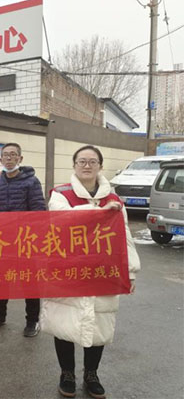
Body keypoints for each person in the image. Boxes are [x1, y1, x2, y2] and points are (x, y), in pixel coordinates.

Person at [40, 145, 140, 399]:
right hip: (68, 270)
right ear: (74, 165)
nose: (87, 165)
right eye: (82, 161)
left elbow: (125, 236)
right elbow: (63, 220)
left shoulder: (114, 200)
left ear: (100, 166)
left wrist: (130, 271)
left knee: (99, 324)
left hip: (103, 271)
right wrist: (100, 213)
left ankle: (91, 374)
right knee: (64, 323)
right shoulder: (60, 194)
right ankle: (67, 373)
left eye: (92, 161)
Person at [0, 142, 46, 337]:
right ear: (0, 159)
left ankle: (32, 321)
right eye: (5, 155)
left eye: (13, 155)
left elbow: (39, 211)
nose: (9, 158)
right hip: (1, 242)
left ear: (20, 158)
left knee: (29, 282)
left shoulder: (31, 182)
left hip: (25, 241)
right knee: (0, 280)